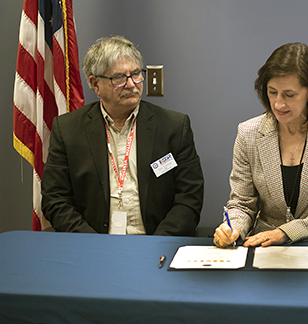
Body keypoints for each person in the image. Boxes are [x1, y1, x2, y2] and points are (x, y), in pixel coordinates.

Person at [42, 36, 204, 236]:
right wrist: (92, 245)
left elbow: (189, 198)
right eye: (119, 78)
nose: (131, 84)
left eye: (136, 74)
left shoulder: (174, 127)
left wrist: (156, 245)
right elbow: (55, 200)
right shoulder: (67, 130)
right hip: (92, 243)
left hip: (156, 243)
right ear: (95, 84)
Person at [213, 42, 308, 248]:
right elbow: (242, 204)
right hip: (265, 248)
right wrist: (233, 228)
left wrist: (286, 232)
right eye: (272, 92)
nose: (279, 104)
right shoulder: (248, 133)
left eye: (289, 95)